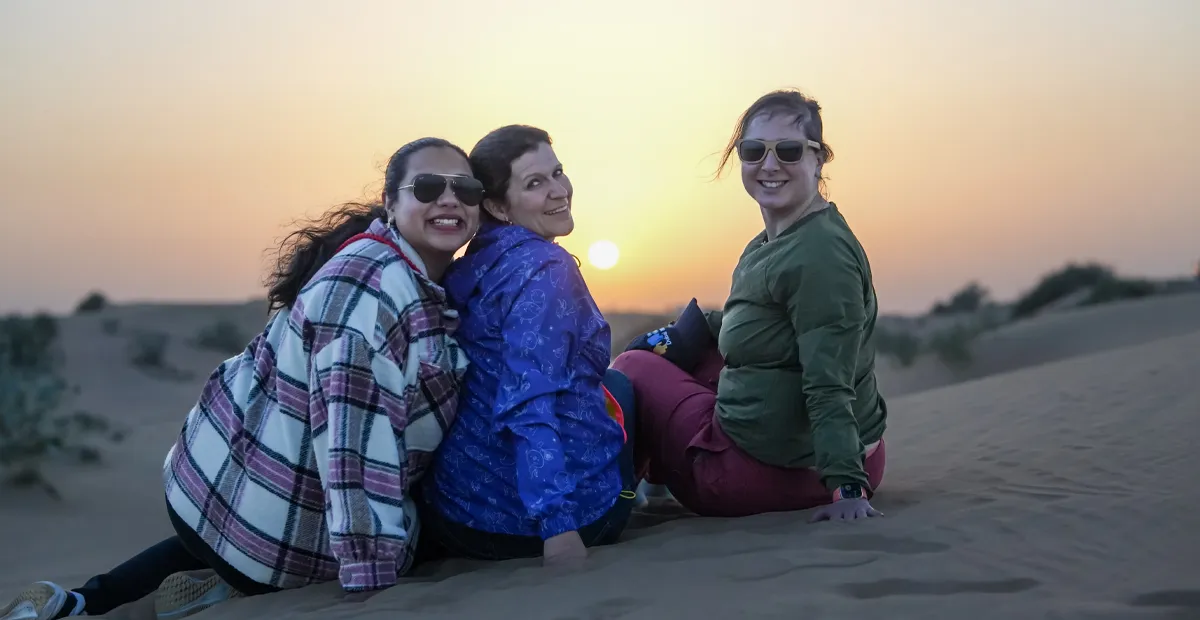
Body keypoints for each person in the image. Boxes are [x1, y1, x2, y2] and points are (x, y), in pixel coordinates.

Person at [0, 137, 482, 620]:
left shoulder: (392, 268)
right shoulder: (369, 288)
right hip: (279, 530)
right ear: (390, 201)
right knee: (451, 537)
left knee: (224, 547)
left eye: (465, 188)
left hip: (221, 497)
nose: (448, 198)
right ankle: (229, 591)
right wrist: (370, 577)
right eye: (427, 186)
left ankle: (77, 604)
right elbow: (351, 447)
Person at [613, 89, 888, 522]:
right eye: (754, 151)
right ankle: (652, 483)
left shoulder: (819, 255)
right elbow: (772, 321)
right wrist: (696, 326)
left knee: (631, 366)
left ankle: (622, 496)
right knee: (690, 349)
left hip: (766, 478)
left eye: (790, 151)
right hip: (821, 458)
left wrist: (847, 488)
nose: (770, 164)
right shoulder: (780, 238)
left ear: (820, 159)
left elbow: (829, 381)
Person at [419, 125, 636, 570]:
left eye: (558, 173)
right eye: (535, 184)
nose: (559, 191)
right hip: (526, 529)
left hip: (457, 510)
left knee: (613, 383)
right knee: (630, 390)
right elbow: (527, 401)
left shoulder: (472, 263)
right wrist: (559, 530)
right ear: (497, 205)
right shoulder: (545, 270)